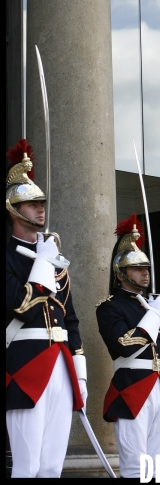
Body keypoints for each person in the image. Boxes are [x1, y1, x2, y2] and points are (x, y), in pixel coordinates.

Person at [6, 139, 87, 478]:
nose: (41, 209)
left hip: (61, 363)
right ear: (13, 208)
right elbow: (21, 306)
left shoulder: (51, 260)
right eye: (32, 203)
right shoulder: (11, 256)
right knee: (27, 467)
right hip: (26, 365)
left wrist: (80, 372)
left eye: (42, 203)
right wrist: (42, 262)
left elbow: (69, 317)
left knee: (52, 467)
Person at [96, 214, 160, 482]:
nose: (145, 272)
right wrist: (154, 316)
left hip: (159, 387)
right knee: (135, 468)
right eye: (137, 268)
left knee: (157, 469)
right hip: (133, 388)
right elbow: (124, 345)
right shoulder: (110, 307)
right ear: (121, 273)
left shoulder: (150, 305)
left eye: (146, 267)